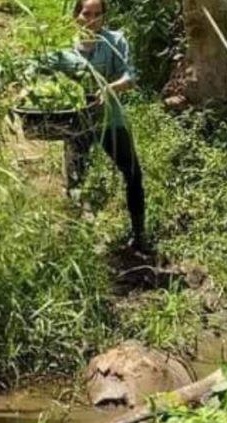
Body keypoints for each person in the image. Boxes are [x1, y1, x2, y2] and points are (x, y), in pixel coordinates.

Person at [36, 0, 149, 253]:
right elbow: (39, 69)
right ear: (77, 15)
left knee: (133, 173)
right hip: (76, 121)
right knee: (75, 179)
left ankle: (139, 234)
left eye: (98, 14)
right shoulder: (65, 46)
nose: (92, 19)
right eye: (87, 13)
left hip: (111, 118)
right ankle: (76, 241)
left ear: (104, 17)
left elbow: (130, 76)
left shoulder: (115, 41)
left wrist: (110, 88)